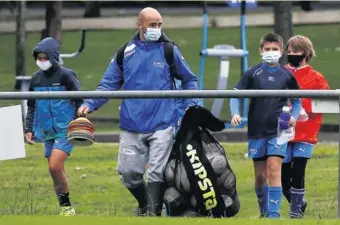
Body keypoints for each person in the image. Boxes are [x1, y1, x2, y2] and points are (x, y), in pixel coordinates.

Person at [77, 7, 199, 217]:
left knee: (156, 173)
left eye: (160, 25)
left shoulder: (170, 51)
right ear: (139, 24)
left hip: (163, 122)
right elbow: (108, 84)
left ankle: (152, 214)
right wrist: (91, 103)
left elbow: (190, 80)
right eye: (153, 25)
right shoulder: (125, 53)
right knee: (128, 173)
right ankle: (145, 205)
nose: (157, 29)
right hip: (131, 123)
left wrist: (189, 106)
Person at [229, 33, 302, 218]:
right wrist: (235, 113)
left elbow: (297, 100)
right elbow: (235, 94)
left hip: (279, 130)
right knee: (260, 176)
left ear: (281, 51)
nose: (271, 52)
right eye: (267, 49)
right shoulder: (253, 73)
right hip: (256, 130)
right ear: (261, 50)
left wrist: (293, 116)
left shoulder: (287, 75)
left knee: (274, 169)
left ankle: (274, 215)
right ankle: (264, 211)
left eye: (275, 49)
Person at [24, 37, 82, 216]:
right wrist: (28, 129)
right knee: (57, 172)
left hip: (66, 130)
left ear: (53, 56)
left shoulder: (66, 75)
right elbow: (32, 106)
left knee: (54, 167)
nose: (41, 61)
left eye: (45, 57)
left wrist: (78, 122)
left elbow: (80, 101)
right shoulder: (35, 80)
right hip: (47, 131)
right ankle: (66, 208)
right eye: (39, 58)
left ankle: (67, 208)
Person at [282, 35, 330, 218]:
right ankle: (299, 203)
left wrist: (303, 107)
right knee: (283, 174)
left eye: (297, 51)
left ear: (306, 53)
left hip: (306, 132)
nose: (292, 54)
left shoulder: (316, 78)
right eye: (290, 51)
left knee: (298, 171)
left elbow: (324, 102)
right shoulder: (280, 74)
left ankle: (295, 213)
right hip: (283, 131)